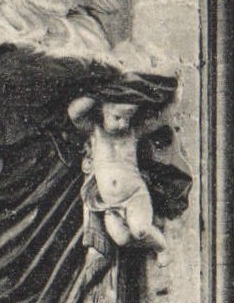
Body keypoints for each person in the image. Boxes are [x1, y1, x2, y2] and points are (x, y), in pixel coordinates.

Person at [67, 95, 168, 261]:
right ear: (101, 112)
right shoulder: (95, 132)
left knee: (140, 229)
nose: (123, 124)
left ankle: (161, 247)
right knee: (121, 239)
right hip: (110, 205)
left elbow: (160, 119)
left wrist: (177, 95)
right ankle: (150, 239)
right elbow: (74, 113)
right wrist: (95, 95)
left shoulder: (133, 133)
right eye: (117, 118)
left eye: (128, 118)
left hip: (135, 195)